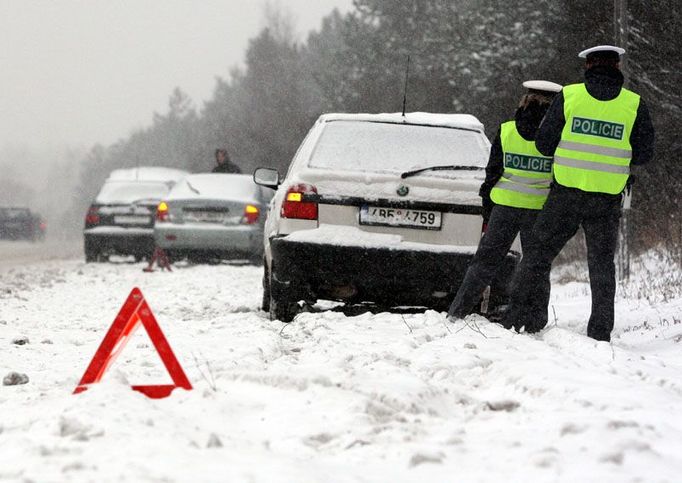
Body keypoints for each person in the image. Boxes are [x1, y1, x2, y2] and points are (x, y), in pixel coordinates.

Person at [500, 45, 655, 341]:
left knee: (537, 256)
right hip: (606, 199)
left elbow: (544, 144)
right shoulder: (634, 104)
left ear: (588, 67)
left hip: (565, 196)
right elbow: (645, 153)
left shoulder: (569, 96)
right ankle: (599, 331)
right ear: (618, 67)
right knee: (601, 266)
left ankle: (514, 319)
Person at [448, 80, 562, 321]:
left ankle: (458, 312)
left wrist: (487, 209)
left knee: (484, 263)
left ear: (525, 101)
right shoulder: (558, 135)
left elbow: (493, 172)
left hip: (505, 207)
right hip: (538, 209)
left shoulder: (507, 129)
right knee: (537, 265)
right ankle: (535, 320)